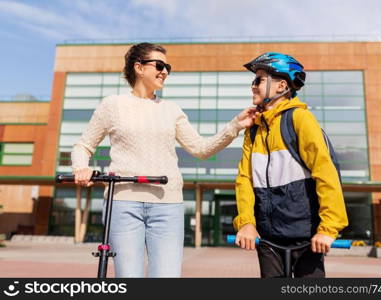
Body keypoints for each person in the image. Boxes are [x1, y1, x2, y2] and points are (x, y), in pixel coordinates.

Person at [71, 42, 256, 278]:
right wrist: (81, 168)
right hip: (123, 204)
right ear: (138, 67)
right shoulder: (113, 105)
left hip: (168, 205)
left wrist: (235, 126)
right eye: (159, 65)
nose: (165, 71)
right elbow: (83, 146)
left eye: (167, 66)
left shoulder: (171, 110)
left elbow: (200, 148)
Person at [233, 52, 348, 278]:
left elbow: (326, 173)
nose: (253, 86)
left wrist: (327, 229)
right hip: (268, 238)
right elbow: (244, 179)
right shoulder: (254, 130)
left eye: (259, 80)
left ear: (281, 86)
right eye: (253, 80)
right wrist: (246, 223)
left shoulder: (299, 119)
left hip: (306, 239)